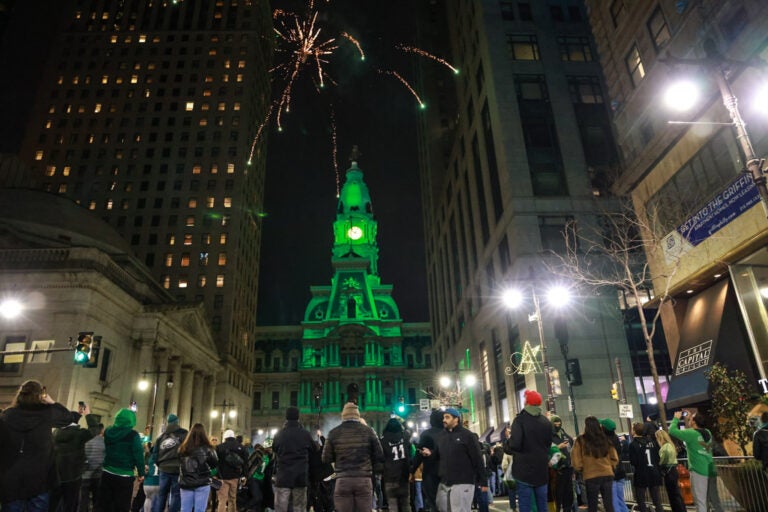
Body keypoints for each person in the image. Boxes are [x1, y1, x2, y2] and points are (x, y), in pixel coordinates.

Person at [0, 380, 81, 512]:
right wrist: (51, 402)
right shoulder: (46, 413)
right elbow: (68, 418)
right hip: (39, 480)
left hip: (11, 479)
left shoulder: (7, 415)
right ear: (40, 395)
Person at [322, 401, 385, 512]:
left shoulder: (333, 433)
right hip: (363, 479)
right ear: (358, 415)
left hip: (343, 479)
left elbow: (325, 458)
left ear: (343, 416)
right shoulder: (369, 431)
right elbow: (380, 455)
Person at [420, 408, 486, 512]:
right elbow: (437, 455)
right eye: (443, 417)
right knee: (442, 508)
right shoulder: (441, 436)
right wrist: (430, 454)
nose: (444, 420)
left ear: (456, 419)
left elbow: (477, 458)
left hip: (463, 482)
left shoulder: (467, 435)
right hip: (445, 482)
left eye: (447, 417)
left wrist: (483, 482)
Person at [503, 390, 552, 512]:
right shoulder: (546, 422)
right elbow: (548, 444)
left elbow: (515, 444)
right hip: (541, 470)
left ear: (526, 402)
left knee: (526, 506)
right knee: (542, 505)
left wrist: (507, 444)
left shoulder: (520, 420)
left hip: (524, 471)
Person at [669, 411, 723, 512]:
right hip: (710, 469)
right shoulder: (708, 432)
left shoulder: (691, 434)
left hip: (698, 470)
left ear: (694, 422)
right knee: (715, 501)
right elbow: (695, 431)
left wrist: (676, 418)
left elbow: (672, 430)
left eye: (690, 420)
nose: (689, 420)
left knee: (700, 501)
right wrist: (691, 418)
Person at [51, 402, 100, 512]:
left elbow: (70, 424)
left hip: (57, 474)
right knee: (71, 504)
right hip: (73, 476)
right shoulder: (79, 434)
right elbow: (94, 429)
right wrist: (88, 414)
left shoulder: (56, 433)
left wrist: (77, 414)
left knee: (54, 503)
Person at [99, 408, 146, 512]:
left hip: (106, 472)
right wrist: (141, 473)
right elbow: (138, 456)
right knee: (121, 506)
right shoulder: (133, 435)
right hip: (124, 476)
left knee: (105, 505)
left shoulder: (108, 431)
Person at [271, 406, 316, 512]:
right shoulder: (305, 434)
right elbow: (314, 448)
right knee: (299, 507)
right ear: (298, 417)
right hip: (300, 476)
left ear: (286, 418)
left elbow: (274, 448)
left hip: (283, 476)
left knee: (281, 508)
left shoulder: (280, 434)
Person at [571, 416, 617, 512]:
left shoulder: (580, 440)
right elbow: (614, 457)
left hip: (591, 476)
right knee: (609, 504)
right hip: (607, 474)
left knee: (592, 505)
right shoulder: (605, 438)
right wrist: (611, 466)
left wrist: (581, 469)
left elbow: (576, 459)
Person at [151, 414, 188, 512]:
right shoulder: (184, 434)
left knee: (162, 494)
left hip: (164, 469)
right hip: (178, 469)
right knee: (176, 494)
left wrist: (161, 465)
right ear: (177, 422)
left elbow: (154, 455)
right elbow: (189, 451)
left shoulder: (161, 437)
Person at [178, 423, 218, 512]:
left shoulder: (183, 448)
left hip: (186, 482)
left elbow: (179, 462)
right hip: (202, 483)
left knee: (185, 509)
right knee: (200, 510)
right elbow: (214, 464)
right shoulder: (209, 449)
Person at [411, 409, 444, 512]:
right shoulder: (448, 434)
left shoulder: (427, 434)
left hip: (431, 472)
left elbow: (419, 455)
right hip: (447, 473)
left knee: (433, 502)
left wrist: (412, 471)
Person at [628, 423, 663, 512]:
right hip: (654, 472)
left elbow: (633, 462)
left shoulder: (633, 444)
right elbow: (657, 457)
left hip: (641, 473)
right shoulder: (652, 442)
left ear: (634, 431)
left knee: (641, 500)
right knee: (657, 500)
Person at [380, 418, 412, 512]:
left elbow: (380, 458)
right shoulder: (405, 437)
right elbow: (409, 453)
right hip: (403, 477)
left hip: (389, 477)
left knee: (392, 505)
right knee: (406, 504)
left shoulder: (382, 440)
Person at [599, 419, 629, 512]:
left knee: (613, 501)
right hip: (620, 472)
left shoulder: (603, 441)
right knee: (621, 499)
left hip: (610, 474)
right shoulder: (616, 438)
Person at [216, 429, 249, 512]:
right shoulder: (241, 447)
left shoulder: (219, 447)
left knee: (222, 500)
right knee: (232, 499)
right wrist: (245, 475)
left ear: (225, 437)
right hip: (235, 477)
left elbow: (215, 462)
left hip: (222, 477)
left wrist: (216, 474)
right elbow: (245, 463)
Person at [654, 429, 685, 512]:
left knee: (672, 495)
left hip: (669, 471)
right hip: (673, 470)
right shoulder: (670, 445)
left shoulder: (665, 447)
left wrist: (659, 464)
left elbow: (664, 459)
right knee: (676, 494)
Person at [550, 415, 574, 512]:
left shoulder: (565, 435)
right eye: (555, 424)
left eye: (559, 424)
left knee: (568, 495)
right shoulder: (548, 436)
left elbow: (571, 446)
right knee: (557, 494)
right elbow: (545, 450)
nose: (557, 425)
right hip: (556, 471)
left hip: (568, 469)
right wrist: (557, 447)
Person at [81, 423, 106, 512]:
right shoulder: (104, 442)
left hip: (85, 475)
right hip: (97, 475)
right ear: (102, 430)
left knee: (83, 500)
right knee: (96, 500)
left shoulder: (85, 440)